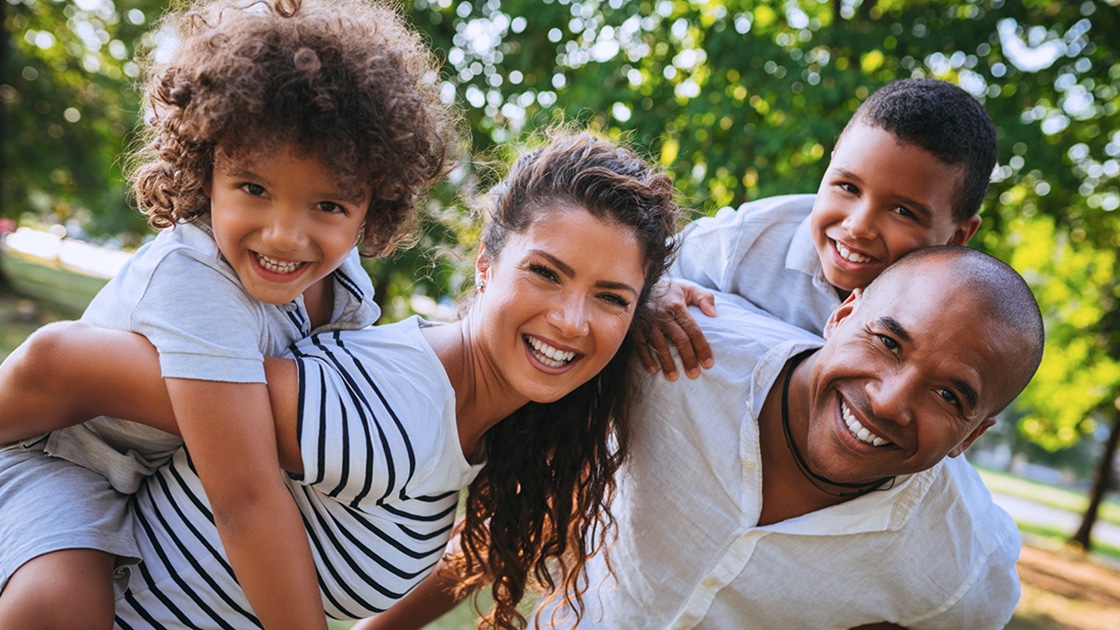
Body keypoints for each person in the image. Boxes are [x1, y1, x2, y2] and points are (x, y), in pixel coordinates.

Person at [0, 131, 681, 629]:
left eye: (611, 297)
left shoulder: (469, 420)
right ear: (484, 265)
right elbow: (64, 365)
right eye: (546, 271)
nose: (569, 319)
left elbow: (465, 543)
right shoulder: (392, 407)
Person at [0, 0, 453, 628]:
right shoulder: (195, 277)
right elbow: (244, 499)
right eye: (255, 189)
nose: (284, 236)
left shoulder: (346, 287)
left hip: (145, 481)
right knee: (59, 604)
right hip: (59, 460)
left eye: (327, 204)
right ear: (206, 168)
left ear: (373, 205)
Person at [535, 245, 1043, 629]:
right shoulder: (674, 347)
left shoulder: (965, 558)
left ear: (971, 436)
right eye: (888, 342)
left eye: (949, 397)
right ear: (842, 316)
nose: (889, 401)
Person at [641, 78, 997, 380]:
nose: (858, 226)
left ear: (957, 237)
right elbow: (639, 275)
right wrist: (655, 291)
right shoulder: (746, 239)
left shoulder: (945, 320)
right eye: (847, 187)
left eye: (902, 211)